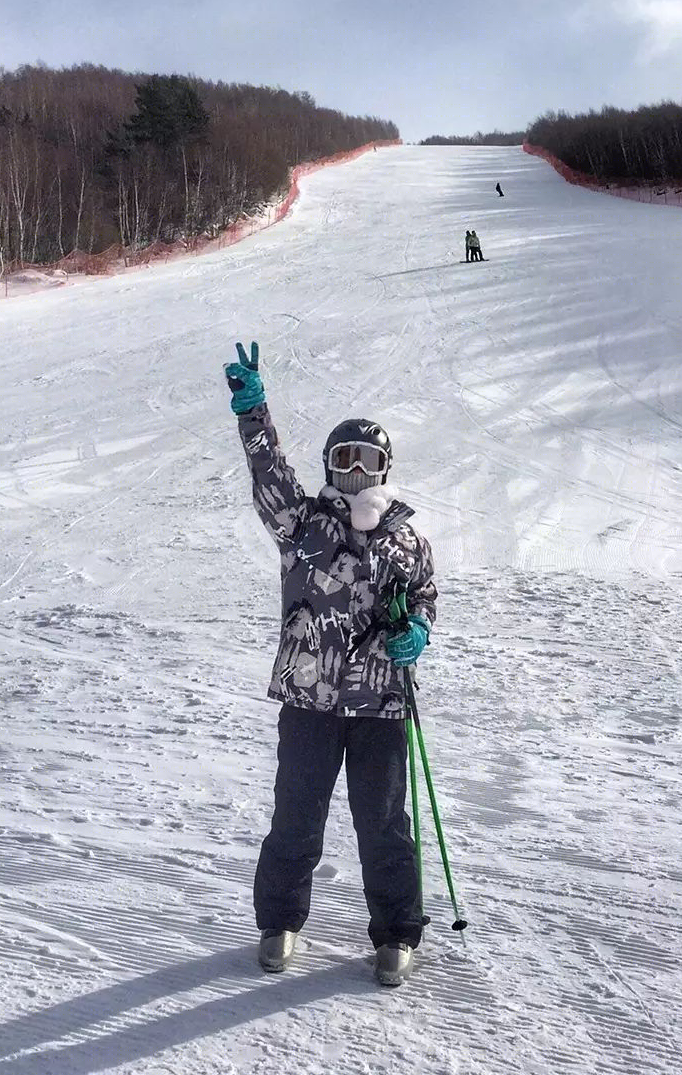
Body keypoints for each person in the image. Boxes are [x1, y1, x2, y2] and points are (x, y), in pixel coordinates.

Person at [224, 341, 437, 987]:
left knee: (383, 823)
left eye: (366, 460)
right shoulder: (304, 525)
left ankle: (398, 933)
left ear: (385, 468)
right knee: (296, 813)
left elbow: (425, 595)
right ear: (328, 466)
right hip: (310, 700)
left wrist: (417, 632)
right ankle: (279, 921)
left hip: (381, 705)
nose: (354, 470)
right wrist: (254, 414)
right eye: (343, 459)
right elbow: (271, 480)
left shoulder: (408, 540)